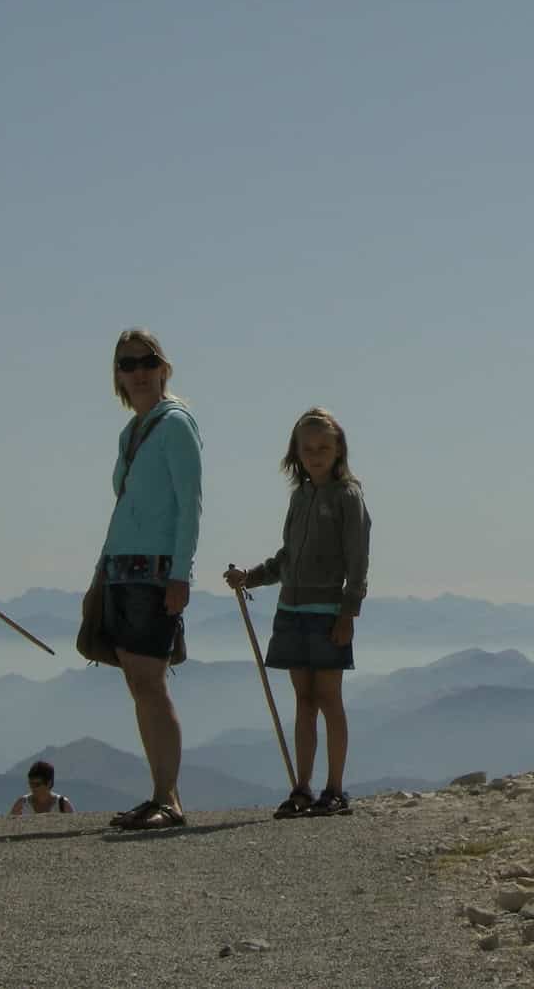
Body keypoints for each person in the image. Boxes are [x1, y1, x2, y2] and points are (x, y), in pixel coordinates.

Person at [225, 408, 370, 819]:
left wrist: (349, 612)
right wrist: (250, 578)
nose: (316, 454)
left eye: (324, 447)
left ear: (339, 449)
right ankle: (303, 787)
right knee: (304, 701)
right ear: (297, 453)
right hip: (291, 608)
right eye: (308, 448)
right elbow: (289, 556)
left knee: (328, 699)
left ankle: (335, 789)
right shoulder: (300, 496)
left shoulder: (348, 496)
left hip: (327, 612)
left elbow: (358, 560)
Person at [98, 328, 202, 831]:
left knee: (151, 684)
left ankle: (168, 799)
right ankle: (162, 793)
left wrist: (181, 575)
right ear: (118, 375)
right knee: (140, 684)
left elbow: (190, 505)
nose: (138, 371)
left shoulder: (176, 424)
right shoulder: (133, 431)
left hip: (154, 573)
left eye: (146, 361)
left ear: (164, 368)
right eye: (128, 363)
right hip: (122, 569)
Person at [8, 760, 75, 815]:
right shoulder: (22, 805)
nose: (33, 788)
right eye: (31, 784)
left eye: (37, 784)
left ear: (49, 783)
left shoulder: (63, 805)